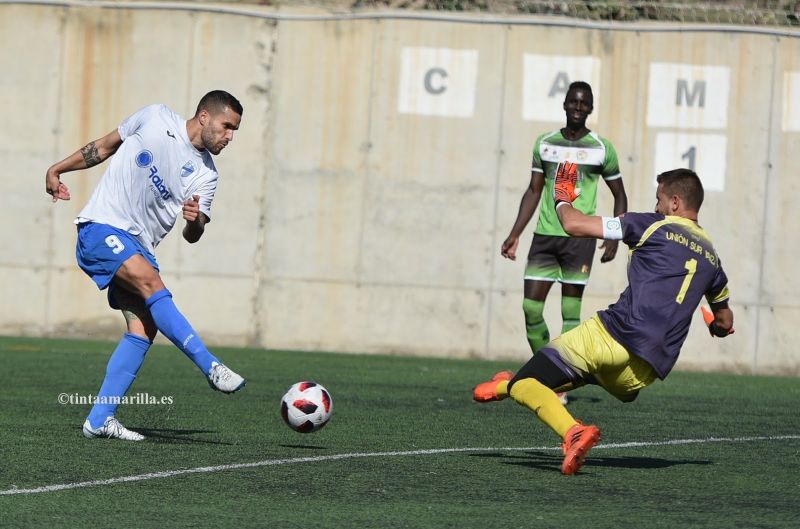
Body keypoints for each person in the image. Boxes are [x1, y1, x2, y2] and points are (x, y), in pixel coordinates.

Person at [474, 168, 734, 475]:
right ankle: (505, 385)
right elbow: (724, 321)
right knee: (592, 372)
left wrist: (561, 198)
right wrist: (715, 327)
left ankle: (568, 428)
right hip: (642, 372)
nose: (656, 206)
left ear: (675, 202)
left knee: (527, 384)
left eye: (659, 199)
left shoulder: (651, 225)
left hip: (613, 335)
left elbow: (573, 224)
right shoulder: (713, 260)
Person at [45, 90, 246, 441]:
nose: (230, 137)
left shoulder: (206, 176)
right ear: (204, 117)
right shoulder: (155, 117)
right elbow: (105, 146)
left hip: (140, 246)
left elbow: (192, 235)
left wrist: (194, 220)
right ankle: (210, 366)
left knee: (143, 329)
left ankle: (99, 419)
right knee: (151, 283)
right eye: (227, 127)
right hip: (102, 226)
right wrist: (58, 168)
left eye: (235, 131)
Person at [501, 81, 628, 404]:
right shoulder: (544, 144)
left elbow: (620, 195)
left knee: (570, 313)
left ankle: (557, 384)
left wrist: (614, 235)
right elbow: (533, 191)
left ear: (590, 108)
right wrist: (515, 232)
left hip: (579, 239)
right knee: (531, 308)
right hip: (545, 236)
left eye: (584, 103)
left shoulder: (602, 148)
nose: (577, 107)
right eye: (573, 101)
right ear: (565, 104)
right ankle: (548, 372)